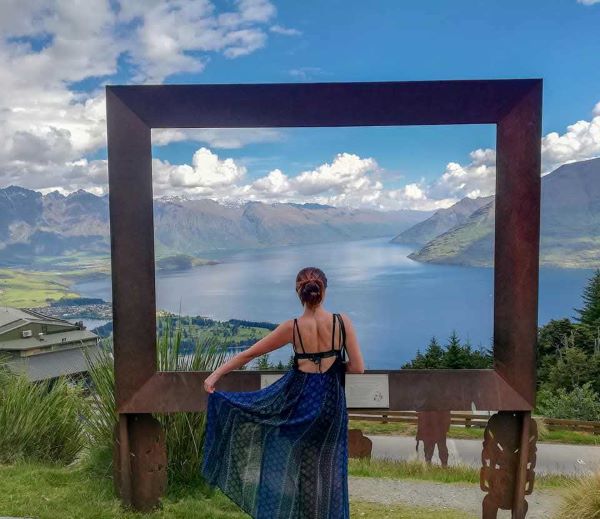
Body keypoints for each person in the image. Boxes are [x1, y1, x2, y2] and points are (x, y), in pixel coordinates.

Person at [201, 266, 365, 519]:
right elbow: (358, 368)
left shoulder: (293, 327)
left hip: (302, 406)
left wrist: (215, 375)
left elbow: (250, 353)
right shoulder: (342, 322)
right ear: (324, 289)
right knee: (332, 470)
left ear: (298, 292)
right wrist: (334, 365)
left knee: (307, 470)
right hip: (332, 409)